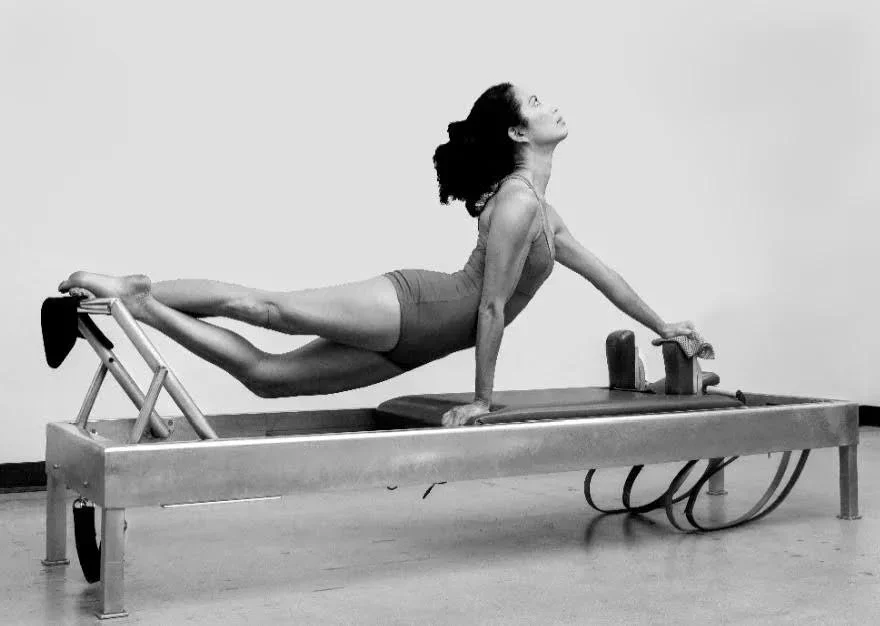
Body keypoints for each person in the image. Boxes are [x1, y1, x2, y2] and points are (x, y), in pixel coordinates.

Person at [58, 82, 697, 427]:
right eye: (535, 103)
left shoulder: (540, 208)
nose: (551, 104)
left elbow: (603, 274)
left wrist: (662, 326)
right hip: (417, 310)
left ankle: (139, 305)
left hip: (418, 341)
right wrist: (482, 399)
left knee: (267, 379)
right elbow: (492, 306)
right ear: (517, 133)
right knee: (267, 308)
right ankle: (130, 283)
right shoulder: (517, 204)